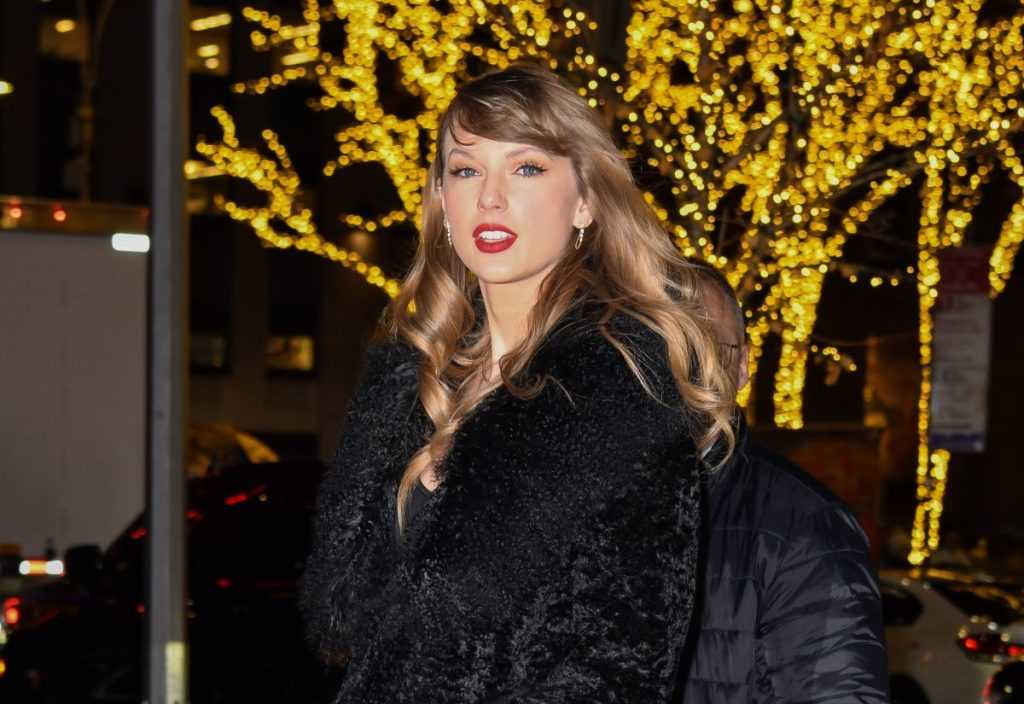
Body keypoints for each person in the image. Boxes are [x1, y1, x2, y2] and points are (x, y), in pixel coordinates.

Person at [299, 65, 737, 702]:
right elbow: (351, 629)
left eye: (526, 168)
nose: (490, 197)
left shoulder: (619, 394)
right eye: (466, 169)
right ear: (442, 202)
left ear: (585, 200)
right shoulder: (407, 388)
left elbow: (616, 670)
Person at [678, 263, 889, 703]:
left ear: (741, 366)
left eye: (706, 346)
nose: (683, 370)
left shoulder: (804, 527)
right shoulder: (579, 505)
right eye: (661, 343)